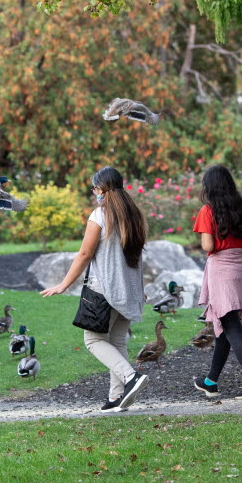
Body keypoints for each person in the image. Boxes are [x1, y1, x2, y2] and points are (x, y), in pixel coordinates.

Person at [40, 166, 148, 411]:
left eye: (95, 188)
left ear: (103, 189)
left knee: (93, 340)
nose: (94, 192)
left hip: (106, 289)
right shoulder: (135, 215)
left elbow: (85, 254)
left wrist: (63, 284)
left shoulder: (101, 215)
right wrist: (139, 288)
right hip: (129, 289)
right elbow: (138, 256)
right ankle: (115, 397)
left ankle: (131, 378)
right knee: (117, 341)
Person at [192, 165, 242, 399]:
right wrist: (236, 243)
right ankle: (210, 382)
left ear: (209, 187)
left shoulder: (208, 211)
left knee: (232, 327)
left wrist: (220, 240)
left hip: (222, 271)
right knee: (225, 325)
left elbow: (208, 247)